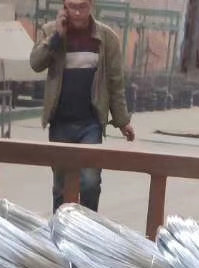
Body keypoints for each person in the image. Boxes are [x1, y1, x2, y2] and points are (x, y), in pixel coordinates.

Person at [29, 0, 135, 213]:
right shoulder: (50, 32)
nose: (77, 12)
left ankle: (88, 227)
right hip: (60, 122)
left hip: (90, 123)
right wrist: (57, 37)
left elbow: (115, 83)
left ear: (92, 6)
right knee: (61, 186)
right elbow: (36, 63)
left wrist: (122, 121)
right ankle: (60, 227)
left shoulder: (107, 38)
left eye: (83, 7)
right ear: (64, 7)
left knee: (90, 182)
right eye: (72, 7)